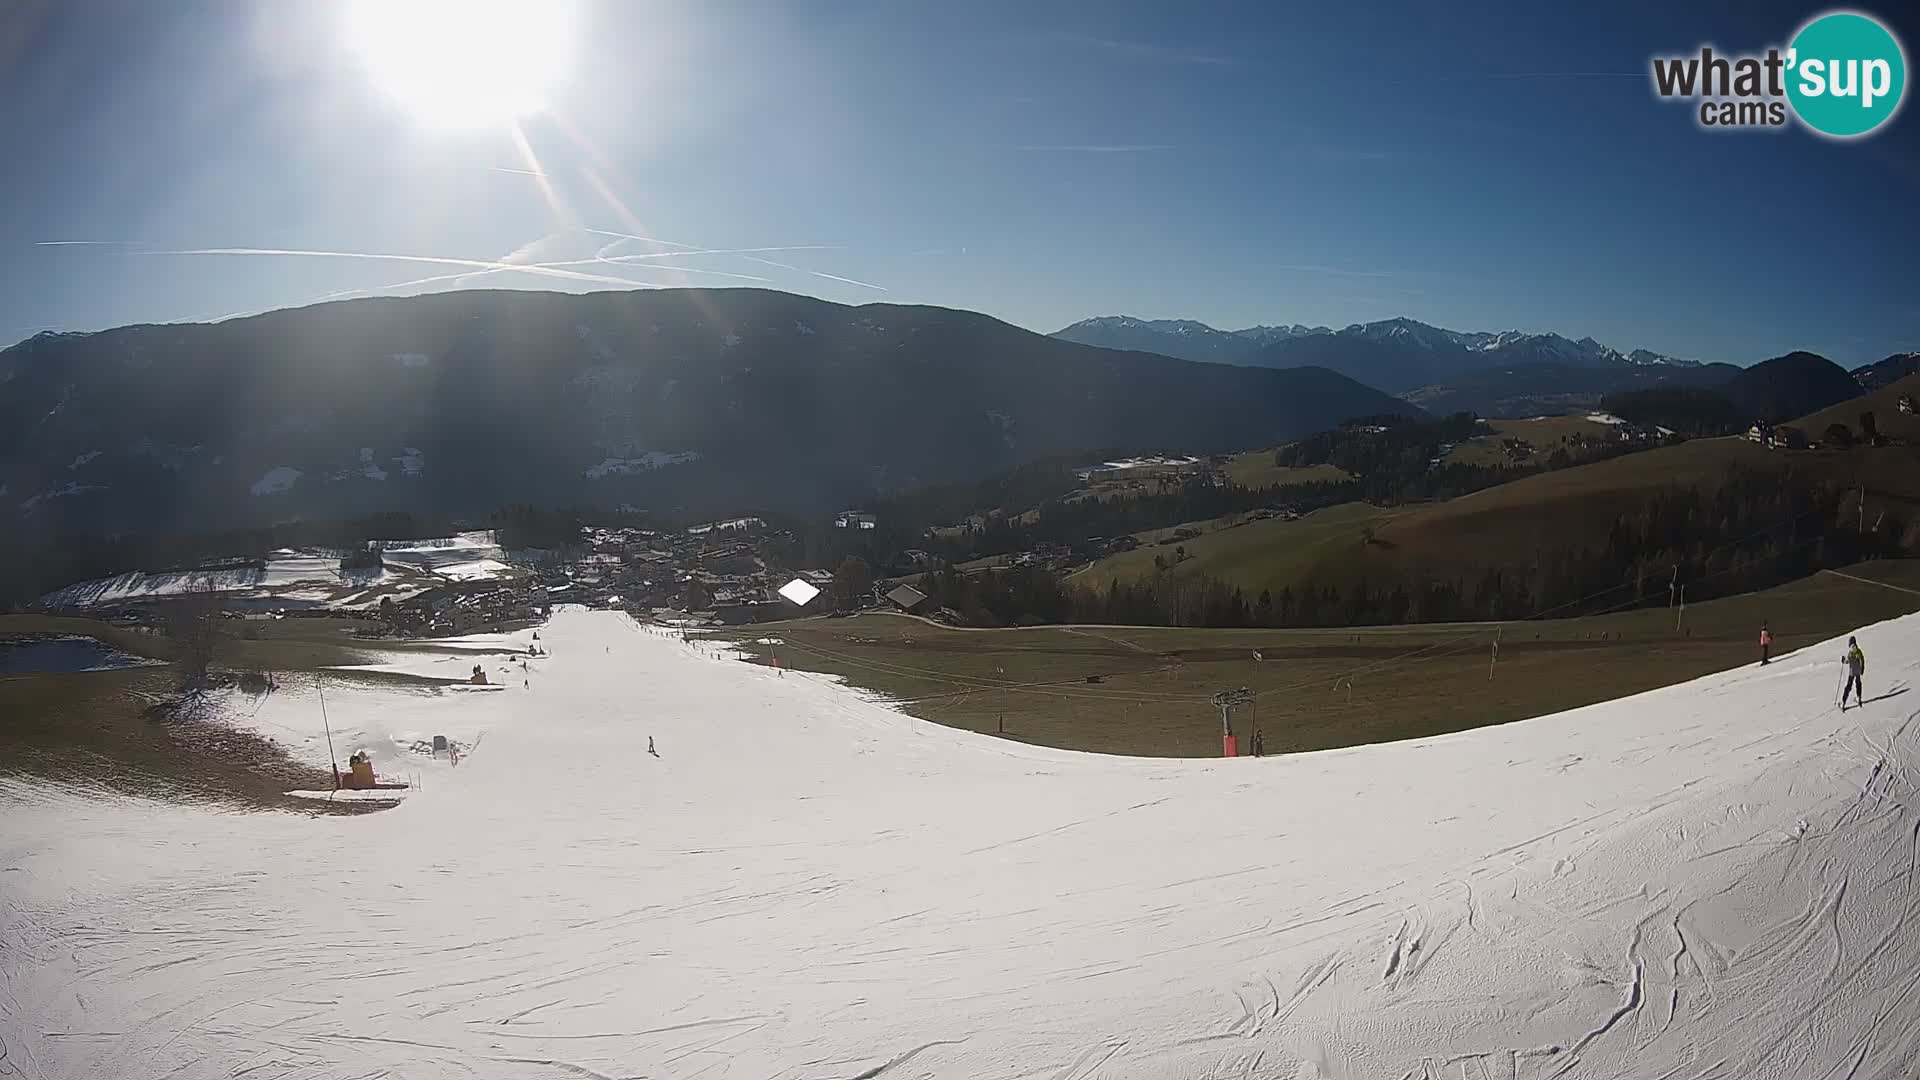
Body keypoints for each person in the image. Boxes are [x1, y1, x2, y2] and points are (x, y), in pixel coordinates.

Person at [1842, 637, 1866, 709]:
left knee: (1849, 686)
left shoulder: (1850, 652)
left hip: (1852, 672)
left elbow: (1847, 661)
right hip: (1858, 671)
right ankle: (1859, 698)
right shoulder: (1858, 651)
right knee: (1858, 683)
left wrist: (1843, 660)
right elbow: (1862, 660)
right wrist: (1862, 669)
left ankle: (1843, 702)